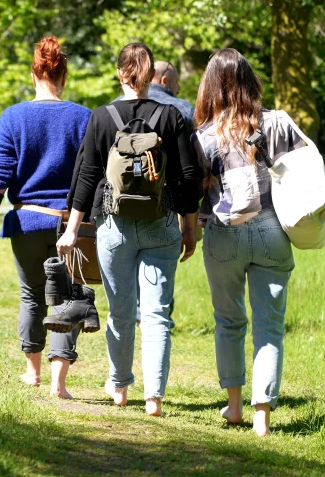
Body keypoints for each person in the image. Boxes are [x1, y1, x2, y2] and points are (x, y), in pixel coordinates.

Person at [57, 42, 201, 416]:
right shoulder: (172, 117)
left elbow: (87, 175)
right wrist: (189, 226)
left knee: (121, 312)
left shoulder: (102, 117)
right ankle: (154, 397)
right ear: (152, 76)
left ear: (120, 73)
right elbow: (187, 176)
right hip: (162, 223)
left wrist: (72, 229)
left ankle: (120, 388)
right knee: (156, 314)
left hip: (113, 228)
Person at [193, 48, 305, 436]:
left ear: (211, 85)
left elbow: (194, 192)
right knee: (269, 326)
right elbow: (307, 172)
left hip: (223, 232)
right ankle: (263, 418)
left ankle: (235, 407)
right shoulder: (277, 122)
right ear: (249, 80)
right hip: (273, 229)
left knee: (229, 320)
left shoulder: (203, 136)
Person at [0, 36, 92, 399]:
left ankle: (32, 373)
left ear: (35, 75)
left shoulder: (13, 117)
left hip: (26, 222)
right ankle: (59, 384)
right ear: (63, 77)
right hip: (69, 224)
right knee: (68, 296)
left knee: (31, 295)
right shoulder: (83, 117)